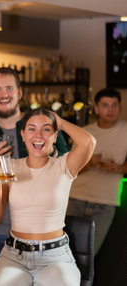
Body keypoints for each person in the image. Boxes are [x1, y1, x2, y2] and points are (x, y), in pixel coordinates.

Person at [0, 107, 95, 286]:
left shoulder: (64, 165)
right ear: (23, 134)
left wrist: (61, 122)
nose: (38, 135)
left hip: (56, 257)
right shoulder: (8, 166)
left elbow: (88, 142)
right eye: (32, 129)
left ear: (55, 135)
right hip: (13, 256)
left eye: (46, 129)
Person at [0, 67, 69, 264]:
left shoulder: (41, 124)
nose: (4, 95)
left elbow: (67, 161)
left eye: (9, 88)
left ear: (19, 93)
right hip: (1, 232)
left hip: (42, 233)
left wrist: (46, 150)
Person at [67, 88, 127, 255]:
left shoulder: (125, 130)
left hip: (105, 203)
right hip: (74, 199)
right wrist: (90, 163)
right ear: (97, 108)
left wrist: (120, 168)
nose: (110, 109)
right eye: (105, 105)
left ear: (120, 108)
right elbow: (70, 171)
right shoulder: (85, 133)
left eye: (114, 105)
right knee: (66, 254)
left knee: (88, 256)